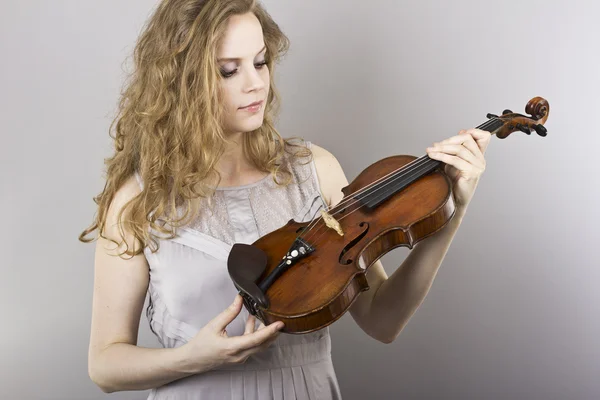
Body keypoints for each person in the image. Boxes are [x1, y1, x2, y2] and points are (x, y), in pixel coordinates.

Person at [79, 0, 491, 399]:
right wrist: (192, 358)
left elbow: (383, 320)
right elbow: (105, 365)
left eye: (260, 62)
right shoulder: (138, 202)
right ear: (181, 81)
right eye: (228, 70)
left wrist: (452, 210)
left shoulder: (315, 170)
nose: (256, 82)